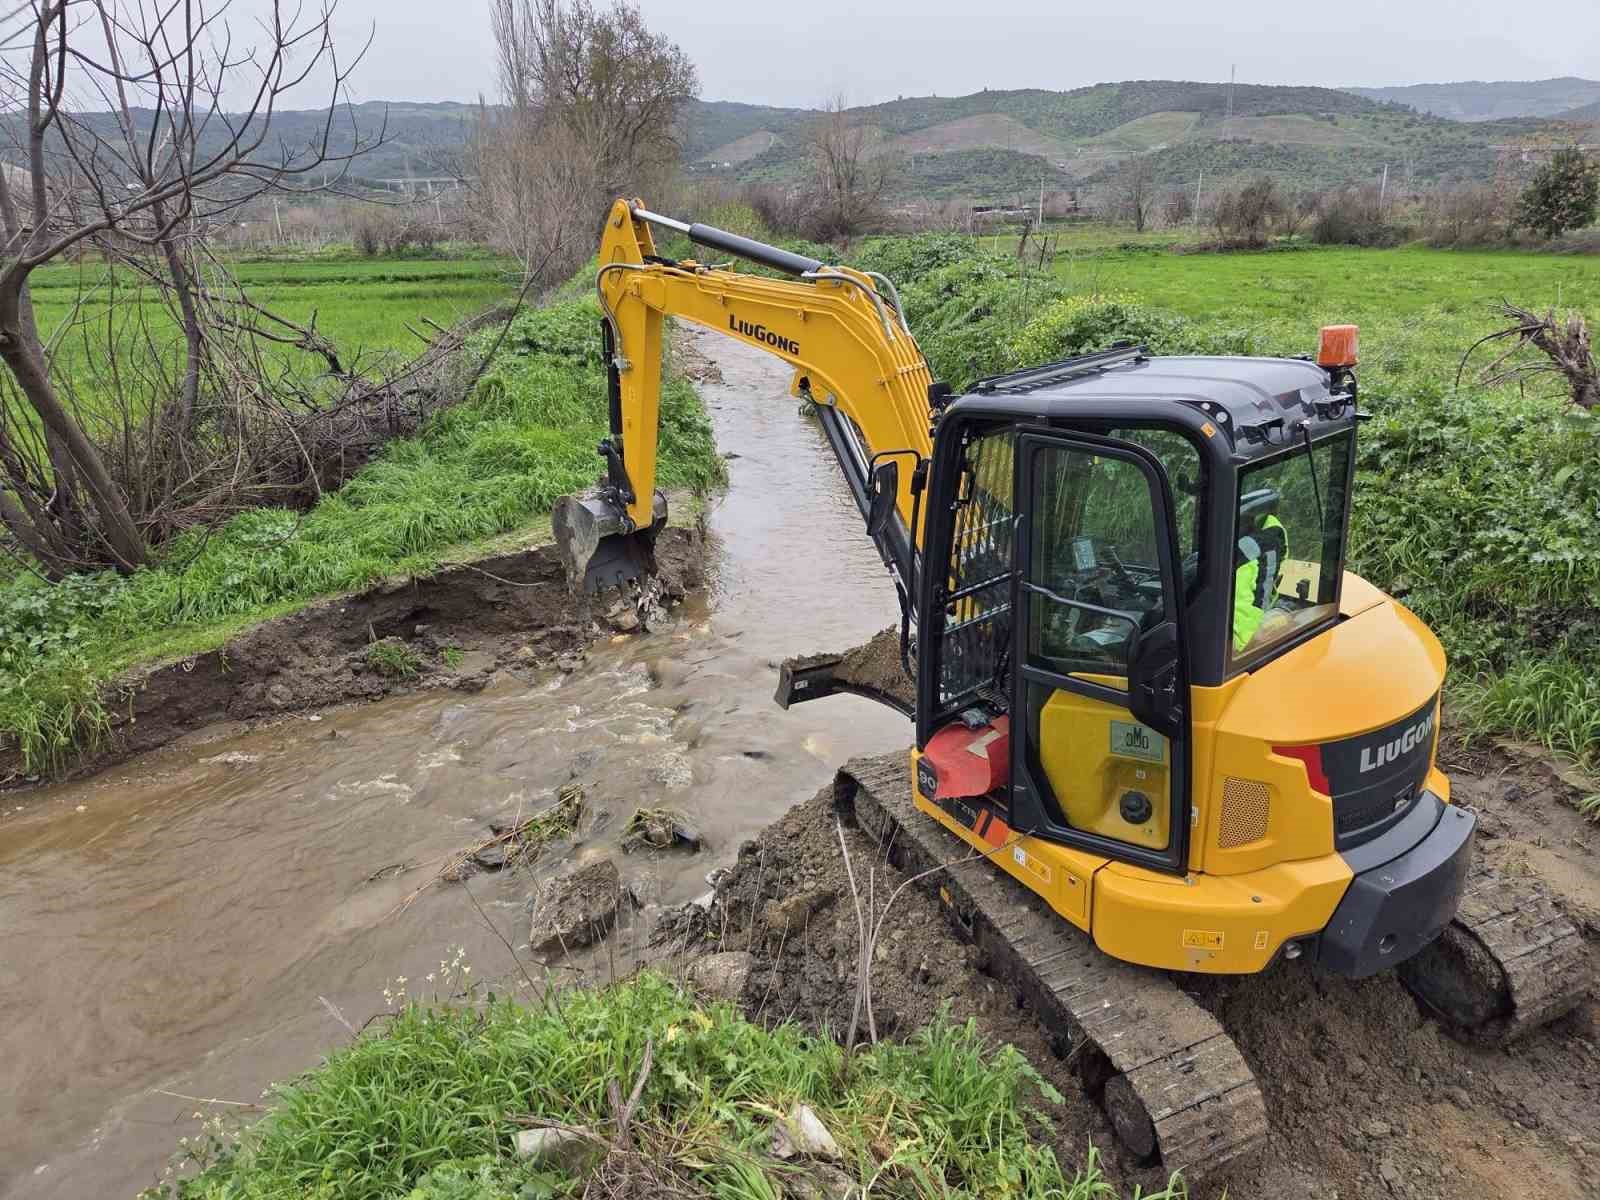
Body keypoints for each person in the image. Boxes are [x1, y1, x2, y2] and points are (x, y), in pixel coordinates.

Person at [1233, 489, 1287, 653]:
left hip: (1238, 636)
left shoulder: (1266, 540)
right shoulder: (1268, 540)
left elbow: (1261, 594)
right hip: (1237, 635)